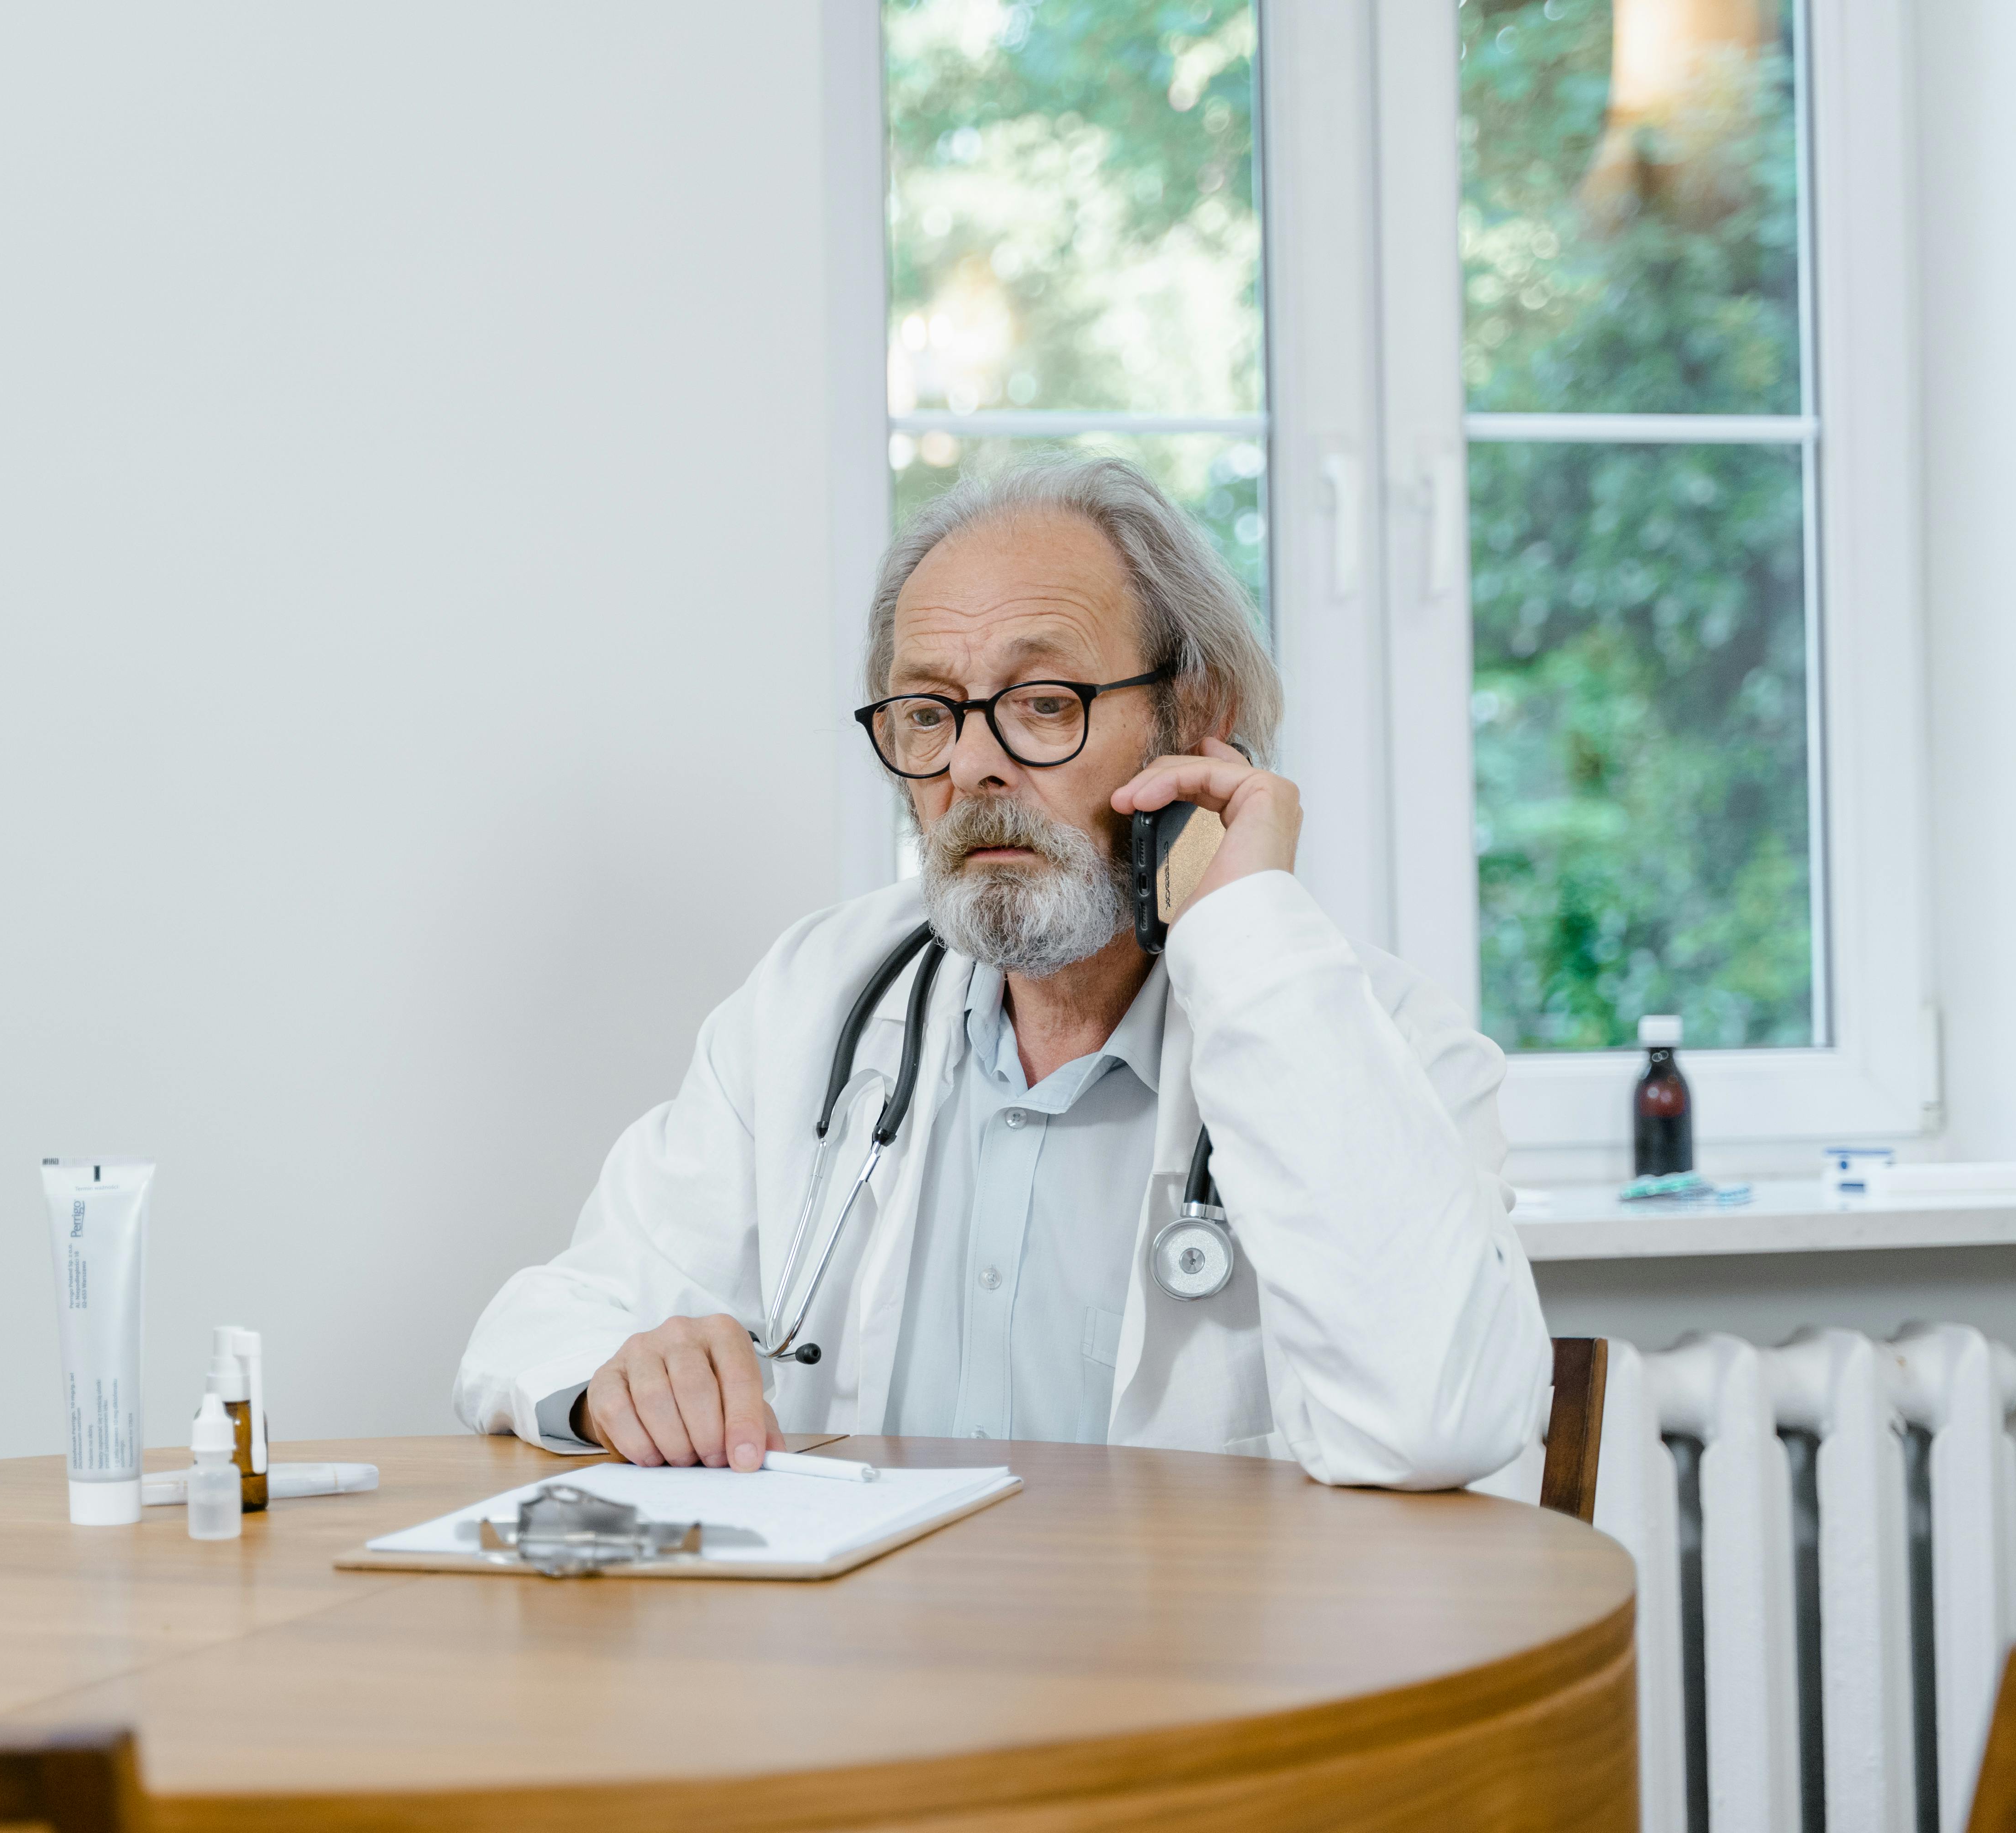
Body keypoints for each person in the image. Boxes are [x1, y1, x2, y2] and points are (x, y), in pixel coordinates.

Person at [454, 454, 1548, 1488]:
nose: (971, 763)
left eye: (1041, 703)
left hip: (1206, 1679)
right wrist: (622, 1377)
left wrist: (1252, 925)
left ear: (1198, 716)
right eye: (928, 713)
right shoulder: (816, 999)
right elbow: (547, 1318)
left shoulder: (1382, 1038)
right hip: (875, 1670)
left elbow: (1435, 1419)